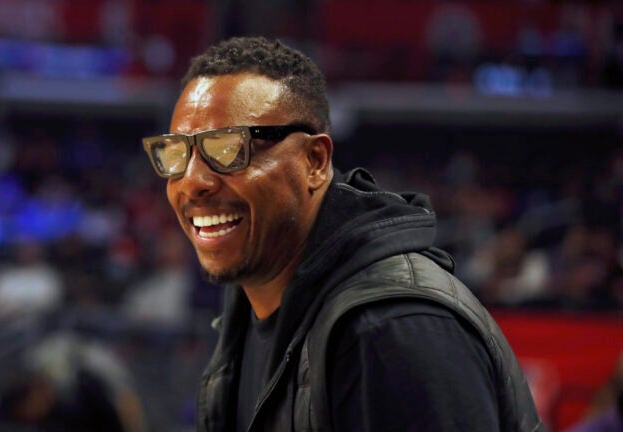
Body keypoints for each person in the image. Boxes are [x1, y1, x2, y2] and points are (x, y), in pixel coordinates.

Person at [141, 36, 543, 432]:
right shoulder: (246, 311)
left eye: (227, 148)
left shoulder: (390, 331)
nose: (191, 182)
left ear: (314, 161)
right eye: (176, 153)